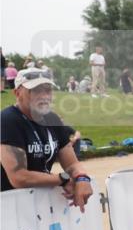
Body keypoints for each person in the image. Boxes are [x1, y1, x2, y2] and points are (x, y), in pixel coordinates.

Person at [1, 68, 94, 210]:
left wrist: (82, 178)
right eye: (36, 91)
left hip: (39, 204)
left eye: (48, 90)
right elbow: (19, 177)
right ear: (17, 93)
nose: (44, 96)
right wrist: (62, 179)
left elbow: (72, 164)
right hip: (9, 208)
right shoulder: (7, 120)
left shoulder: (52, 119)